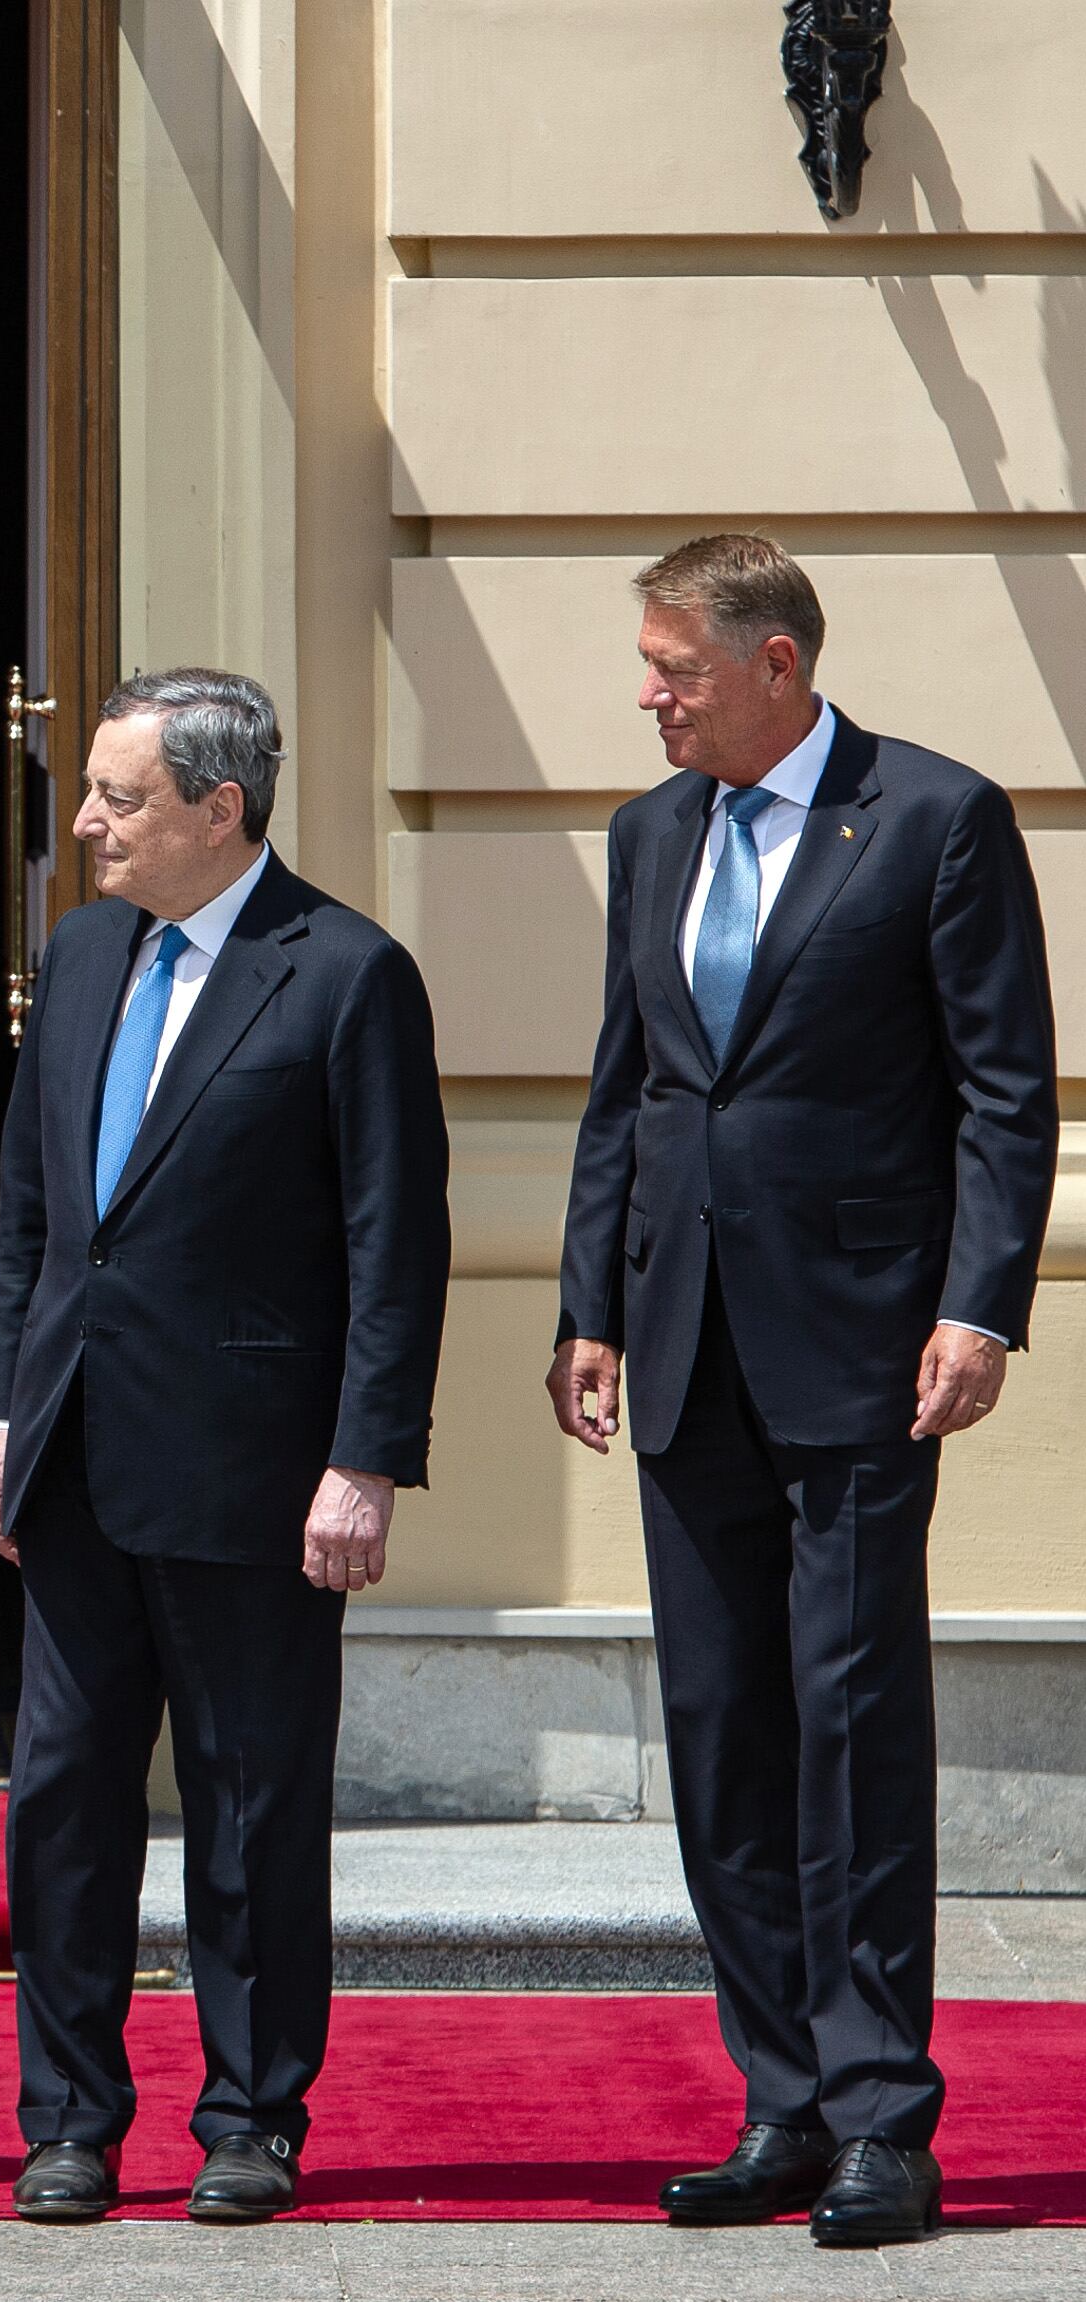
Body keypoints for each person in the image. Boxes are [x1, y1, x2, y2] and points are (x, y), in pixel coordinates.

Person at [551, 537, 1057, 2250]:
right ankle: (774, 2095)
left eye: (671, 668)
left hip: (857, 1351)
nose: (648, 696)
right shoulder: (646, 835)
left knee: (847, 1730)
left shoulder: (932, 817)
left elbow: (1002, 1091)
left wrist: (978, 1305)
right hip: (680, 1339)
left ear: (772, 664)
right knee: (720, 1735)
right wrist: (586, 1306)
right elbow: (626, 1091)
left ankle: (879, 2118)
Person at [0, 669, 448, 2227]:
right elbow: (32, 1226)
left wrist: (364, 1455)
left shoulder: (344, 973)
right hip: (73, 1456)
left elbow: (395, 1244)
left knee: (248, 1805)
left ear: (216, 807)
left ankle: (249, 2115)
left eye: (116, 794)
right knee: (61, 1799)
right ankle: (68, 2119)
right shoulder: (84, 948)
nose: (87, 820)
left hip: (256, 1471)